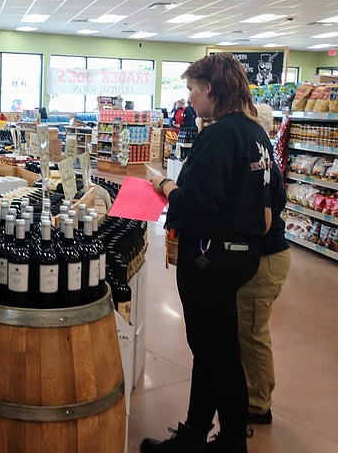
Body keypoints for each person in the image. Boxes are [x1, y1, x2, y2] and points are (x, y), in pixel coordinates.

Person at [142, 53, 273, 453]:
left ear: (209, 89)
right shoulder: (256, 134)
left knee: (217, 351)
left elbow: (196, 204)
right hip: (242, 254)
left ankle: (231, 440)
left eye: (191, 91)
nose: (189, 100)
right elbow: (273, 199)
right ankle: (196, 431)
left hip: (209, 258)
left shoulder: (217, 135)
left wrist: (164, 185)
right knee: (214, 346)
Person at [237, 104, 290, 425]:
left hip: (268, 259)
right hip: (266, 257)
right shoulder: (266, 161)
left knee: (253, 332)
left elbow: (265, 215)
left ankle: (258, 404)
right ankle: (251, 392)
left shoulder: (263, 165)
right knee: (247, 330)